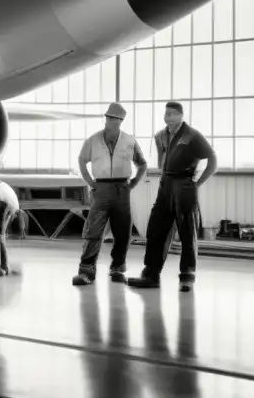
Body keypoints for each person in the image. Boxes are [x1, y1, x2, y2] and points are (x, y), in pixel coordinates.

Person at [128, 101, 217, 293]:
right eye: (165, 113)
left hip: (184, 184)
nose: (167, 117)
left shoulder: (192, 135)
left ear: (180, 115)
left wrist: (197, 183)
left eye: (171, 113)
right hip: (165, 184)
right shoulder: (161, 136)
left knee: (187, 231)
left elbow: (212, 159)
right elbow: (162, 162)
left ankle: (187, 276)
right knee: (156, 228)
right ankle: (151, 274)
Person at [73, 102, 148, 286]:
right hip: (101, 189)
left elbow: (142, 163)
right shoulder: (93, 140)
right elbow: (82, 160)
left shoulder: (130, 141)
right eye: (107, 117)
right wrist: (90, 183)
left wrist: (134, 182)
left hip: (122, 188)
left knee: (122, 231)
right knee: (94, 230)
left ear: (120, 121)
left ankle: (117, 267)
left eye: (113, 118)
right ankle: (86, 271)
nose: (108, 120)